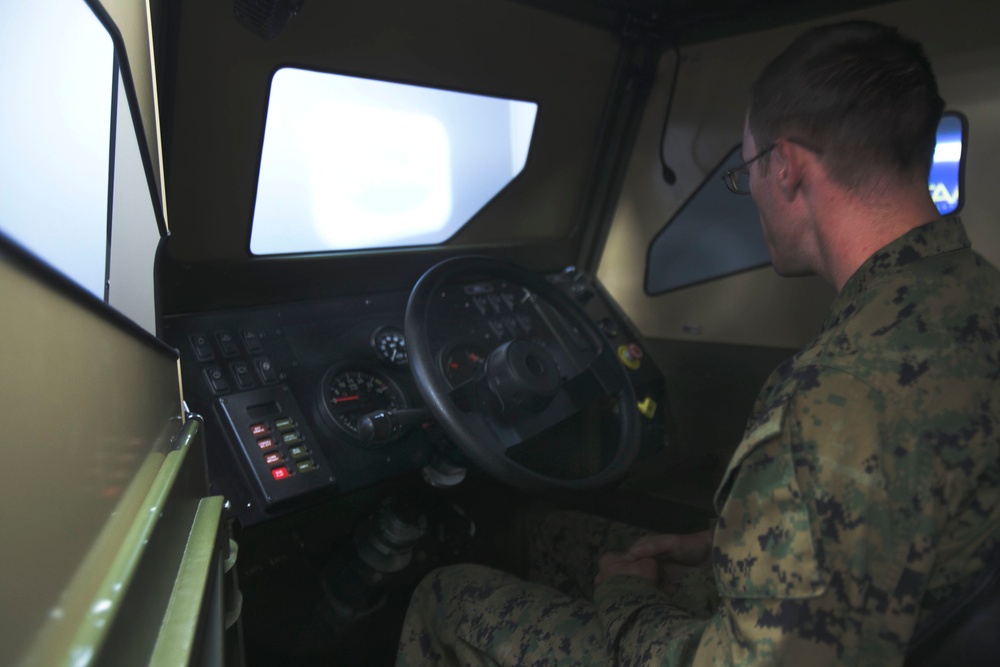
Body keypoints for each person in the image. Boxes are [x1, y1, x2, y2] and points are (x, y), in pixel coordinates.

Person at [396, 20, 1000, 666]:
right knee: (541, 531)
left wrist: (629, 603)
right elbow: (873, 515)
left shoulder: (829, 406)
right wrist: (723, 542)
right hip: (886, 609)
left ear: (788, 168)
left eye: (750, 171)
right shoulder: (972, 298)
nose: (754, 194)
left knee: (444, 594)